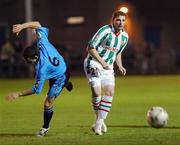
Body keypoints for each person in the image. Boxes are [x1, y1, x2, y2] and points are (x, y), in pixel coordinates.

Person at [5, 21, 73, 137]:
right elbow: (37, 24)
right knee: (50, 94)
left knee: (47, 103)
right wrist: (22, 27)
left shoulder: (41, 70)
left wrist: (18, 94)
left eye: (28, 60)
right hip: (55, 69)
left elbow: (36, 90)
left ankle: (45, 127)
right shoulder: (42, 42)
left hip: (61, 75)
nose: (27, 62)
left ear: (35, 57)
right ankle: (65, 85)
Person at [84, 11, 128, 135]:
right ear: (112, 20)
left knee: (109, 92)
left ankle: (98, 123)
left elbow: (117, 52)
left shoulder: (125, 36)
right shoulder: (104, 31)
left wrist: (119, 65)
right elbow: (90, 48)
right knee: (96, 91)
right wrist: (102, 62)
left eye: (123, 20)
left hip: (108, 67)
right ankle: (99, 121)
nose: (121, 23)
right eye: (118, 20)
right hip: (93, 63)